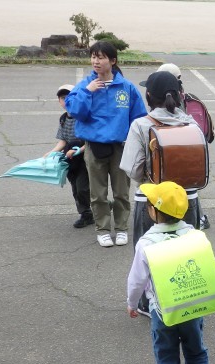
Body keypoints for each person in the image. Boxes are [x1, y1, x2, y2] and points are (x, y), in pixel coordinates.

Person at [126, 181, 211, 364]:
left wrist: (132, 303)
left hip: (162, 311)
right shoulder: (195, 237)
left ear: (153, 211)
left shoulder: (146, 243)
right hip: (192, 306)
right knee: (196, 348)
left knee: (166, 354)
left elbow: (137, 280)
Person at [120, 70, 203, 316]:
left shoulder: (141, 125)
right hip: (187, 199)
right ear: (178, 95)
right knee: (184, 254)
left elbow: (133, 169)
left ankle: (150, 304)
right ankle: (184, 301)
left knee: (151, 255)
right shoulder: (191, 123)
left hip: (151, 200)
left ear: (148, 96)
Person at [65, 41, 147, 248]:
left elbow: (139, 117)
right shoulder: (85, 85)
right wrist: (88, 92)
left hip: (120, 147)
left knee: (121, 192)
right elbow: (75, 111)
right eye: (93, 57)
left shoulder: (126, 87)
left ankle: (121, 228)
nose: (95, 61)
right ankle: (102, 229)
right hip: (93, 147)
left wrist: (135, 144)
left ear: (112, 61)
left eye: (100, 57)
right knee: (98, 193)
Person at [154, 63, 211, 230]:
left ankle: (189, 217)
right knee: (190, 186)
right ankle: (200, 217)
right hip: (194, 147)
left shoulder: (170, 99)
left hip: (174, 149)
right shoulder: (185, 96)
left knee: (181, 187)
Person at [44, 84, 92, 228]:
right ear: (59, 101)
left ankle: (101, 206)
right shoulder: (63, 119)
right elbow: (63, 140)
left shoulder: (83, 117)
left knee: (83, 188)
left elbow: (90, 141)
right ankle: (86, 214)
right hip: (70, 160)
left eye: (70, 97)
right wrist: (52, 152)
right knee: (76, 189)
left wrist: (78, 151)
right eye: (63, 98)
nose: (66, 101)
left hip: (84, 158)